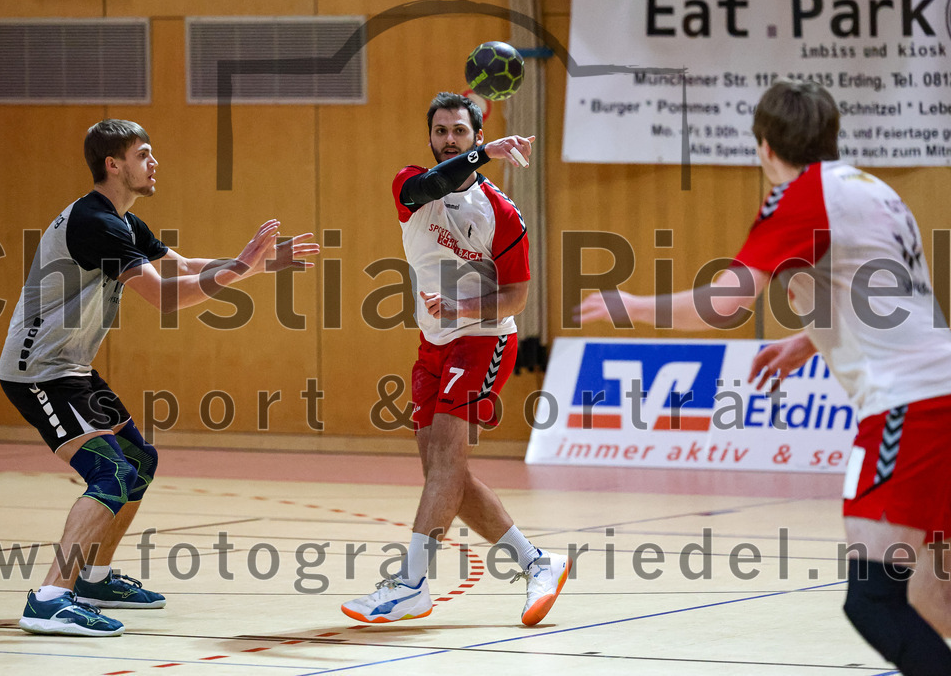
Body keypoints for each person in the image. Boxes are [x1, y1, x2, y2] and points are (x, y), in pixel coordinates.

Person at [575, 79, 951, 675]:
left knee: (874, 602)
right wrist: (809, 339)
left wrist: (635, 304)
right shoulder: (872, 189)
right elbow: (885, 294)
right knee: (930, 596)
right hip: (939, 389)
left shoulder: (800, 196)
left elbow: (726, 303)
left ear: (765, 147)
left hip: (909, 408)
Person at [0, 119, 319, 636]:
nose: (154, 163)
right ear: (113, 165)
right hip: (39, 371)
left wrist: (253, 266)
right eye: (143, 154)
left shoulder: (122, 221)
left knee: (138, 462)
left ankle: (94, 579)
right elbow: (166, 298)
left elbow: (180, 266)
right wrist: (241, 268)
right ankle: (51, 598)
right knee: (110, 473)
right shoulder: (95, 223)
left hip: (72, 369)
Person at [341, 92, 570, 626]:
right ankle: (537, 563)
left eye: (460, 131)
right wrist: (483, 154)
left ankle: (411, 585)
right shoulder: (410, 185)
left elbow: (516, 297)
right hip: (433, 345)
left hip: (484, 340)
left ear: (476, 135)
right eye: (441, 131)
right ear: (430, 138)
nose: (449, 139)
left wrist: (462, 307)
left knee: (445, 465)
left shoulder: (502, 213)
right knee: (445, 476)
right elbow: (435, 183)